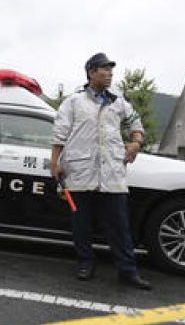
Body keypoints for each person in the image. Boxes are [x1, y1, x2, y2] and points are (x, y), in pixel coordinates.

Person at [50, 53, 152, 290]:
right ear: (91, 72)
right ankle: (86, 263)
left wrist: (136, 143)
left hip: (112, 173)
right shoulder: (73, 101)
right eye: (104, 70)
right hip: (79, 171)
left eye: (110, 71)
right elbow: (59, 134)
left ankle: (127, 271)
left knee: (119, 225)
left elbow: (136, 125)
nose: (109, 74)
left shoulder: (119, 102)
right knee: (80, 223)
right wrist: (55, 163)